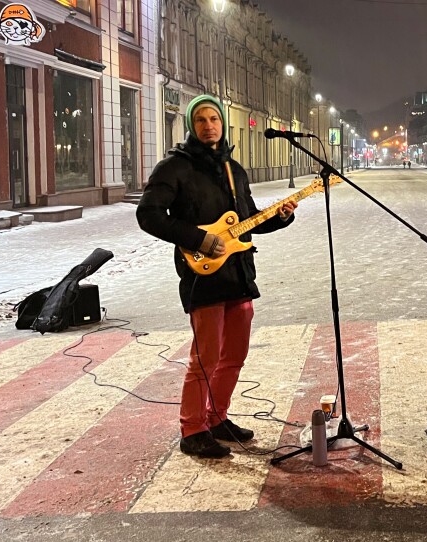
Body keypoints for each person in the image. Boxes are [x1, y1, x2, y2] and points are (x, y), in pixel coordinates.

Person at [136, 94, 298, 459]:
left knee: (235, 354)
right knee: (205, 357)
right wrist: (198, 238)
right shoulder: (174, 168)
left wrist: (282, 216)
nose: (209, 126)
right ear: (192, 126)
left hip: (238, 274)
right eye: (201, 120)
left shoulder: (234, 169)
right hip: (202, 275)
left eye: (214, 119)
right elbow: (148, 214)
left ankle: (216, 417)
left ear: (222, 124)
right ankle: (192, 429)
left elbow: (246, 219)